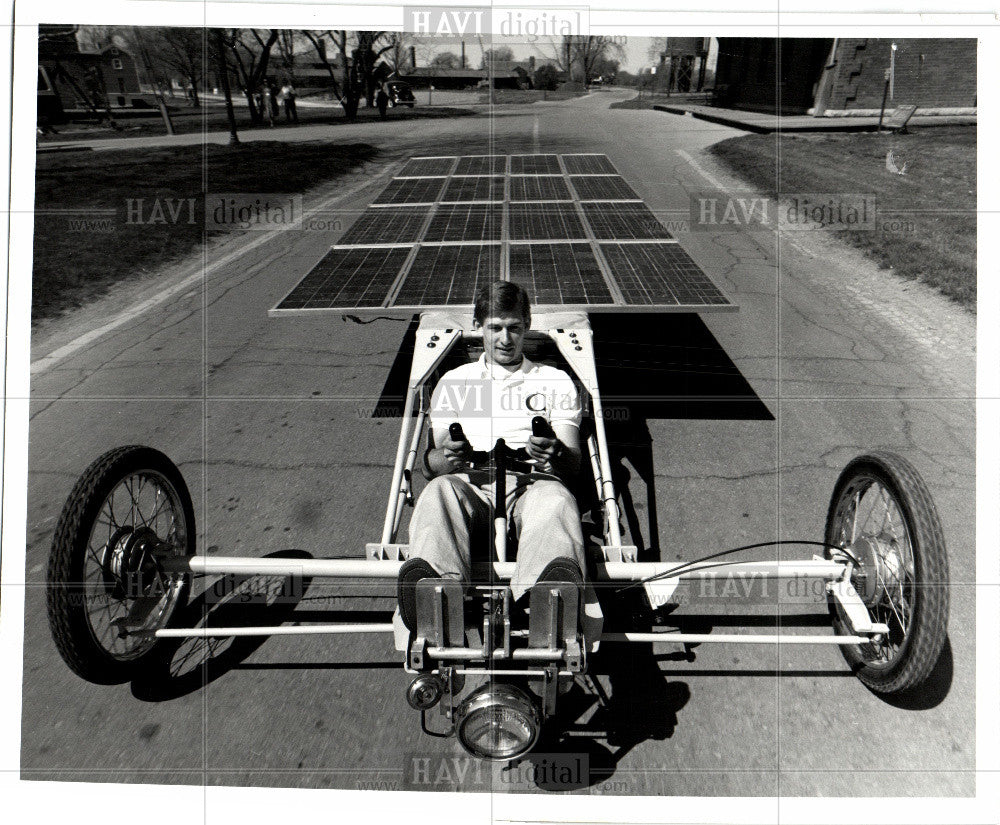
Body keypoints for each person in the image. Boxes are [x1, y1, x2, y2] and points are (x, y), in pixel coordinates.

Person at [397, 281, 587, 631]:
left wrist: (554, 452)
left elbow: (573, 463)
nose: (505, 338)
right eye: (495, 328)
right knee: (438, 493)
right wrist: (447, 456)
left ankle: (544, 606)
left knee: (558, 499)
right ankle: (436, 598)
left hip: (533, 483)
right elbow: (432, 467)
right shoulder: (454, 382)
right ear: (477, 326)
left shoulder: (555, 380)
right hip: (469, 482)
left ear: (527, 325)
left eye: (514, 328)